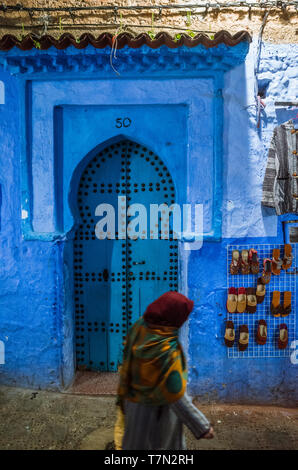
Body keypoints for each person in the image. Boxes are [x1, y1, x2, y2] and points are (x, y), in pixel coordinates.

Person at [114, 291, 214, 450]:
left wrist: (122, 400)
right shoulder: (166, 350)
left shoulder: (140, 327)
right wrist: (202, 427)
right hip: (158, 415)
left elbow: (127, 364)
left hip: (133, 405)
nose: (185, 320)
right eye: (183, 316)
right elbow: (175, 396)